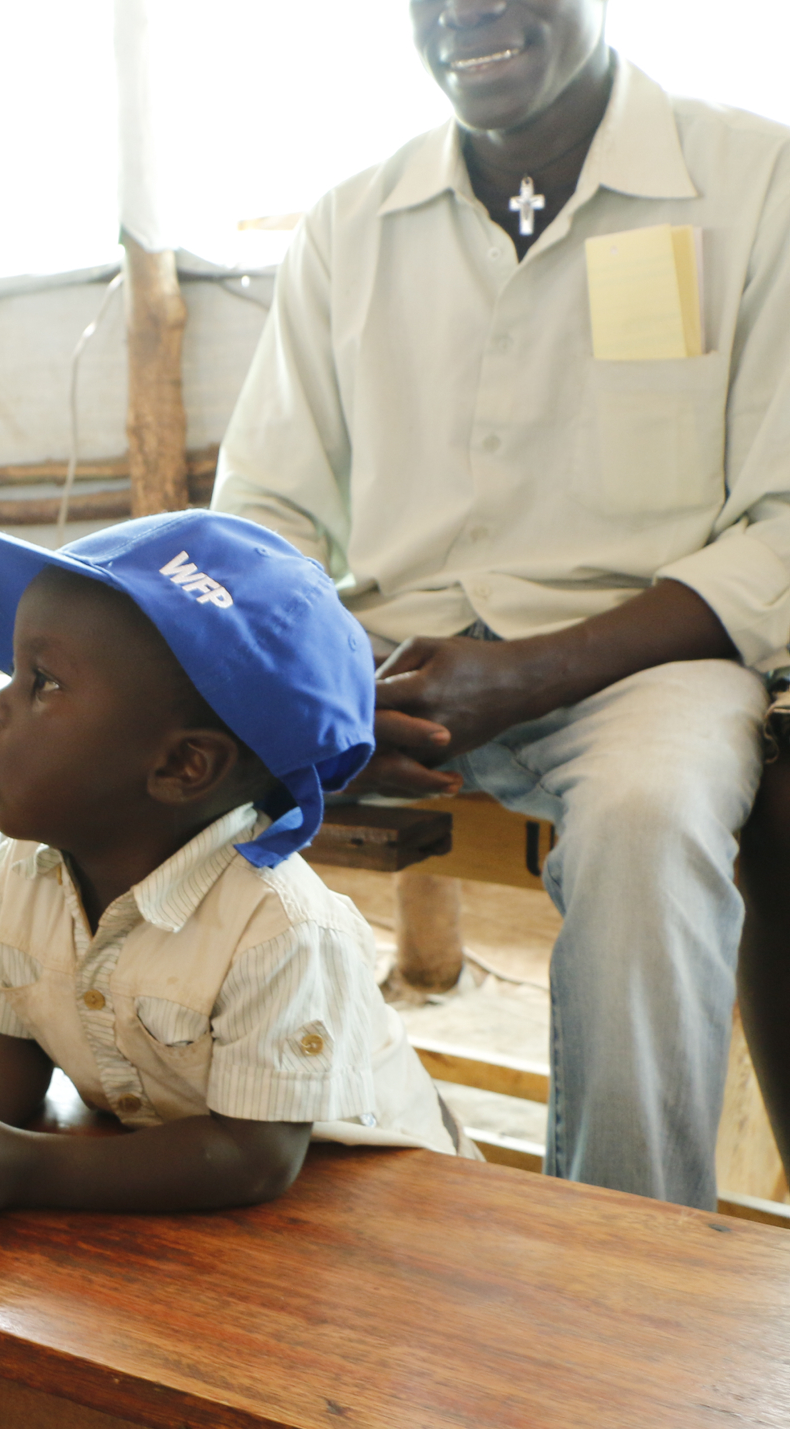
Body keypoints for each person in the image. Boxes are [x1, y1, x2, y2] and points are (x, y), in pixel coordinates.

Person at [209, 0, 790, 1209]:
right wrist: (322, 696)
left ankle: (629, 1267)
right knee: (136, 754)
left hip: (645, 656)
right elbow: (263, 507)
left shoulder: (753, 180)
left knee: (649, 821)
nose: (466, 11)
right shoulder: (351, 225)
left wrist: (533, 673)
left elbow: (781, 523)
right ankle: (200, 1192)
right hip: (381, 651)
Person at [0, 510, 470, 1219]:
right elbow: (3, 1037)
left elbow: (253, 1156)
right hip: (188, 1190)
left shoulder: (281, 927)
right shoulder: (30, 862)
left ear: (183, 764)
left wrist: (23, 1166)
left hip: (382, 1213)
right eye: (14, 670)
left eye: (44, 681)